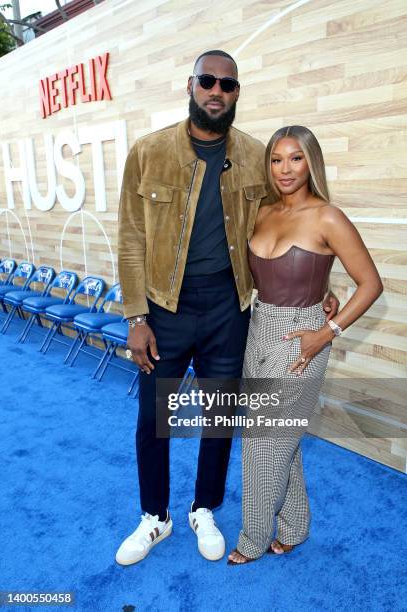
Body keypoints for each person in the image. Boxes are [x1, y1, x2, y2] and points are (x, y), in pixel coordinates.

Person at [116, 51, 339, 566]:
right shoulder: (148, 153)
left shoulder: (257, 155)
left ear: (237, 92)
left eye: (228, 84)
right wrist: (135, 317)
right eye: (207, 81)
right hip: (164, 308)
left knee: (219, 414)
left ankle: (204, 508)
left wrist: (319, 283)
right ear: (189, 85)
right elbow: (130, 238)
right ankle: (156, 517)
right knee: (155, 417)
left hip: (229, 307)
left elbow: (289, 221)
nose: (217, 91)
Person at [227, 125, 383, 565]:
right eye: (276, 159)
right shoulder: (262, 213)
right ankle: (295, 525)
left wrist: (327, 332)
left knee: (262, 442)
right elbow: (289, 270)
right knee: (282, 441)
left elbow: (371, 284)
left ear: (310, 161)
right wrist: (324, 284)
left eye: (295, 158)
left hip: (303, 339)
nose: (285, 168)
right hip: (260, 328)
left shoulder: (328, 216)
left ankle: (252, 538)